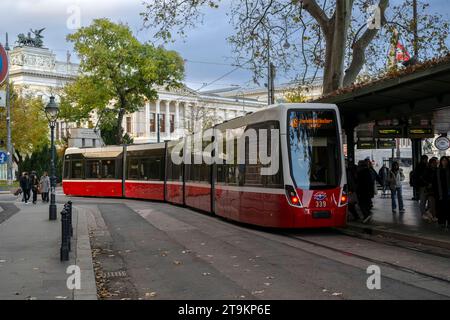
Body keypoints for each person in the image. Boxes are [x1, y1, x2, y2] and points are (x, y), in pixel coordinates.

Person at [435, 156, 450, 229]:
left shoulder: (449, 169)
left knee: (448, 207)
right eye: (443, 160)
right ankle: (442, 222)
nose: (444, 162)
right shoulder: (438, 170)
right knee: (441, 208)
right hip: (440, 192)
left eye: (445, 160)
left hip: (448, 191)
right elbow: (435, 182)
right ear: (441, 161)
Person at [424, 157, 438, 222]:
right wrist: (428, 184)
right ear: (431, 163)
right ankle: (432, 215)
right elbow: (424, 178)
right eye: (434, 163)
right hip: (430, 189)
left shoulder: (435, 170)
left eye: (436, 163)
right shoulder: (429, 170)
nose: (435, 164)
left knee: (432, 203)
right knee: (432, 203)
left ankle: (431, 215)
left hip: (434, 189)